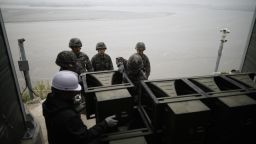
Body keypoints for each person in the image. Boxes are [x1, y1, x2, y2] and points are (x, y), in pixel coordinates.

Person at [43, 71, 118, 144]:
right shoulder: (69, 116)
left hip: (58, 139)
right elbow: (85, 137)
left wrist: (73, 108)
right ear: (66, 92)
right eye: (74, 91)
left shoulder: (48, 103)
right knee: (104, 139)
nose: (76, 93)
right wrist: (105, 123)